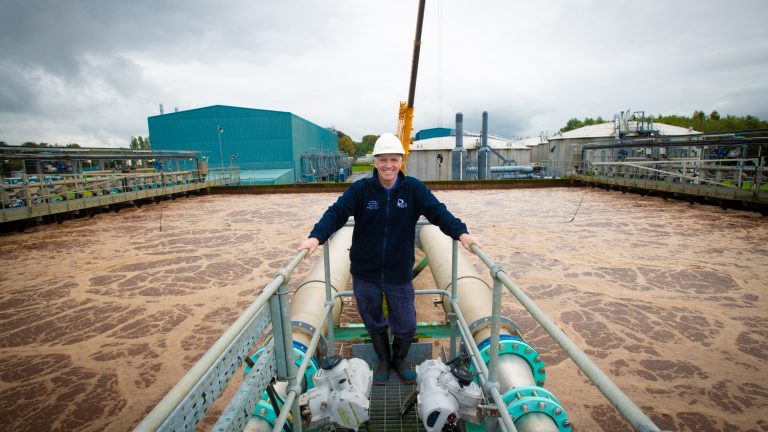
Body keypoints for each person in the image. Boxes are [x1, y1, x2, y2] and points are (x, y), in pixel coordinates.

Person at [297, 133, 479, 385]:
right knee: (373, 320)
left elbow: (438, 212)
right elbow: (336, 212)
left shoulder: (413, 189)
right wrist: (315, 237)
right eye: (383, 160)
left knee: (406, 323)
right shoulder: (361, 190)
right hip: (365, 272)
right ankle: (383, 360)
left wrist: (461, 233)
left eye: (394, 160)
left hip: (398, 272)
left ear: (401, 162)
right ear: (374, 162)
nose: (388, 165)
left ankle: (399, 359)